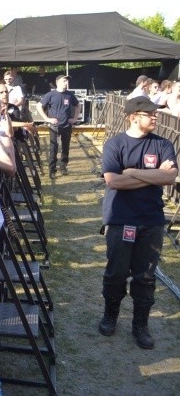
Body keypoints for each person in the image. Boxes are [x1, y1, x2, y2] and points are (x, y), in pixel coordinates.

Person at [98, 97, 177, 349]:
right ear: (133, 116)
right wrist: (155, 177)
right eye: (149, 114)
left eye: (156, 113)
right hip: (121, 218)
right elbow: (113, 181)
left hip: (151, 219)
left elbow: (171, 177)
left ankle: (140, 325)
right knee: (116, 272)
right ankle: (110, 315)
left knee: (145, 276)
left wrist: (131, 172)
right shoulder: (115, 144)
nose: (155, 117)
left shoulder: (163, 144)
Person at [36, 75, 79, 179]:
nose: (66, 83)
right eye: (64, 81)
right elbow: (39, 106)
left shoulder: (69, 95)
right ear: (58, 82)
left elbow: (78, 105)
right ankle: (52, 170)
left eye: (67, 81)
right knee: (53, 148)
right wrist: (47, 119)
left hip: (67, 125)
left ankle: (63, 167)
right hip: (54, 126)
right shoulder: (51, 94)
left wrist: (75, 118)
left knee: (65, 147)